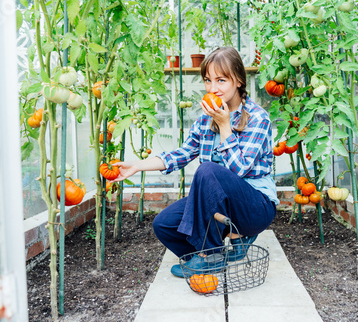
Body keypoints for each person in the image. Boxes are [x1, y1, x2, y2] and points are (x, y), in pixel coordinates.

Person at [111, 47, 279, 278]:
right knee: (165, 225)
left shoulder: (257, 118)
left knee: (208, 169)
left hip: (255, 206)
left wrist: (224, 125)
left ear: (238, 80)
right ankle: (218, 250)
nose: (213, 89)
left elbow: (240, 169)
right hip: (222, 207)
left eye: (221, 80)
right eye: (208, 80)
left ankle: (209, 256)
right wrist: (139, 165)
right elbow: (182, 153)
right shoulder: (205, 119)